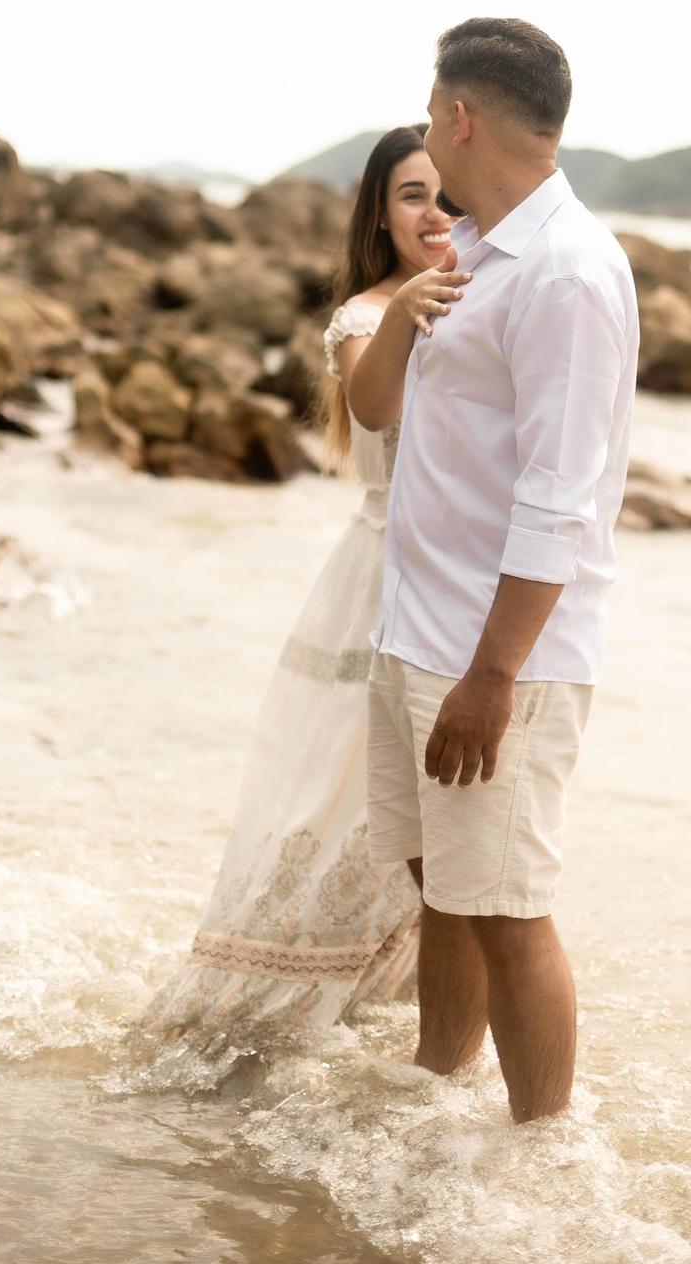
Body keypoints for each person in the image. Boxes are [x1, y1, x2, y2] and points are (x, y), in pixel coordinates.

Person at [137, 125, 470, 1049]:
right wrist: (406, 313)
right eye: (411, 195)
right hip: (383, 577)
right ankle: (267, 1007)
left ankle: (403, 1011)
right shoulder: (366, 314)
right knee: (342, 793)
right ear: (379, 214)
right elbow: (373, 405)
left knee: (442, 815)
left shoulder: (483, 292)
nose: (434, 214)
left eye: (447, 194)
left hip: (462, 583)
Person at [365, 18, 640, 1123]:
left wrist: (492, 677)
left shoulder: (568, 273)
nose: (429, 131)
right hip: (420, 630)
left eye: (432, 113)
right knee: (449, 890)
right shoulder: (477, 253)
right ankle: (437, 1094)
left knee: (510, 910)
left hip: (494, 660)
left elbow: (557, 499)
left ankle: (543, 1163)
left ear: (461, 116)